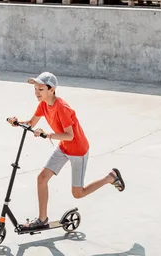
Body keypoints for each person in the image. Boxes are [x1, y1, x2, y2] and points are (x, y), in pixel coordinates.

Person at [7, 71, 125, 229]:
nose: (36, 93)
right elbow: (31, 123)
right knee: (41, 178)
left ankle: (110, 178)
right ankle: (42, 219)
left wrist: (47, 134)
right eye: (35, 89)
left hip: (78, 150)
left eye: (40, 90)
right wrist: (17, 122)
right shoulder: (43, 104)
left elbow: (70, 135)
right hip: (63, 147)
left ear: (52, 90)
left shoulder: (62, 108)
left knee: (78, 193)